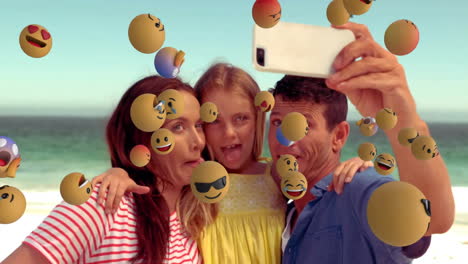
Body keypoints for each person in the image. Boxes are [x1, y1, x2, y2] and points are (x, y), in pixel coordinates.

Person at [92, 63, 373, 264]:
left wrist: (354, 166)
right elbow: (153, 179)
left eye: (241, 118)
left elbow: (317, 191)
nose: (229, 133)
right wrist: (120, 172)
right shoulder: (194, 180)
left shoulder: (275, 175)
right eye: (213, 122)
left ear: (258, 120)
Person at [266, 22, 455, 263]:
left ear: (339, 137)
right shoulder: (288, 212)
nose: (285, 138)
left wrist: (403, 117)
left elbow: (433, 218)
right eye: (277, 123)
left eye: (303, 125)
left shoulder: (357, 190)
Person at [1, 76, 217, 264]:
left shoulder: (194, 215)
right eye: (177, 127)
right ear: (141, 140)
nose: (198, 141)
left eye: (198, 125)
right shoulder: (101, 204)